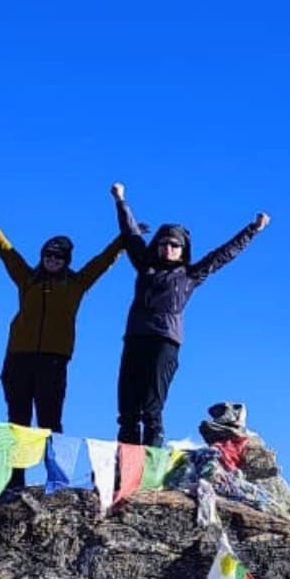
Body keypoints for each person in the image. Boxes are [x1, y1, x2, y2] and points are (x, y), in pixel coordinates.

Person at [0, 201, 127, 490]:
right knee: (17, 421)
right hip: (18, 359)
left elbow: (103, 261)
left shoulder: (76, 284)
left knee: (51, 422)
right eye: (48, 254)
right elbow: (5, 250)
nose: (52, 259)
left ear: (66, 260)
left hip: (53, 360)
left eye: (58, 256)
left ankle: (56, 479)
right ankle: (16, 481)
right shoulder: (27, 279)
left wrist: (125, 238)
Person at [110, 183, 270, 447]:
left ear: (183, 249)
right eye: (164, 243)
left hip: (165, 342)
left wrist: (252, 229)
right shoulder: (145, 266)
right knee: (127, 411)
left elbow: (223, 255)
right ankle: (123, 469)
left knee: (151, 409)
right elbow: (130, 234)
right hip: (135, 338)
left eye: (175, 244)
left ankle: (150, 468)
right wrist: (120, 201)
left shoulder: (190, 275)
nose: (169, 248)